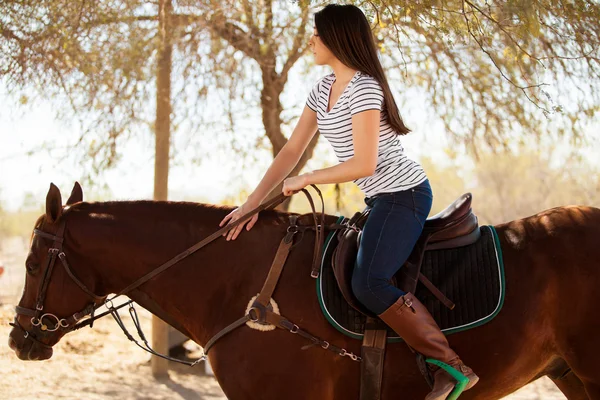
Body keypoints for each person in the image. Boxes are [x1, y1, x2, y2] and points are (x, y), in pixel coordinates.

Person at [219, 4, 478, 399]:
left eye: (317, 34)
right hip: (379, 199)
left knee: (369, 282)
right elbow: (290, 151)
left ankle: (452, 366)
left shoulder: (365, 87)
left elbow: (364, 162)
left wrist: (308, 178)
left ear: (336, 38)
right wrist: (253, 204)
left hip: (404, 195)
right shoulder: (322, 89)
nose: (311, 41)